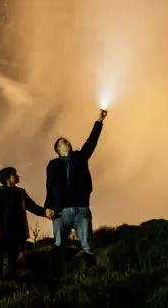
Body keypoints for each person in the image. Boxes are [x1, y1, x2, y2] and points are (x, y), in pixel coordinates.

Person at [45, 109, 107, 276]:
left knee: (87, 244)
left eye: (67, 141)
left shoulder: (80, 157)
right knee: (59, 244)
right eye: (64, 142)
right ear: (58, 148)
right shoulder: (53, 165)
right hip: (60, 211)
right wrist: (47, 207)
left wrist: (99, 121)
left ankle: (93, 276)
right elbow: (49, 186)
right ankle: (57, 277)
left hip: (81, 209)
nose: (68, 143)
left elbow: (91, 141)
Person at [0, 167, 53, 279]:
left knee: (13, 255)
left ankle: (12, 277)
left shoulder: (21, 193)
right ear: (7, 179)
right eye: (14, 174)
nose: (18, 176)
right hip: (3, 229)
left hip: (17, 229)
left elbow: (32, 206)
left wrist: (45, 213)